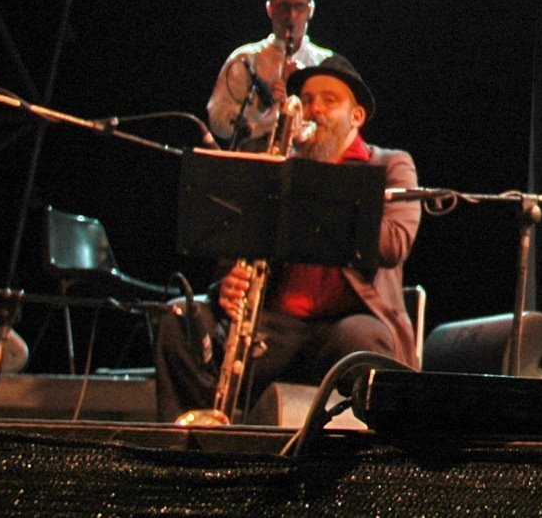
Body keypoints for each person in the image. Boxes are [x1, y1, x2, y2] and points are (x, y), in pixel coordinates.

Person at [156, 55, 419, 420]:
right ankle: (191, 439)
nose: (314, 110)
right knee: (180, 319)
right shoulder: (279, 167)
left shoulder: (390, 164)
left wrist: (318, 180)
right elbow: (234, 248)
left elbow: (394, 243)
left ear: (356, 116)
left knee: (360, 341)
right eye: (307, 100)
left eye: (329, 100)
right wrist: (227, 285)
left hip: (347, 323)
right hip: (278, 326)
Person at [206, 0, 332, 152]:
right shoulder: (245, 58)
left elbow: (336, 128)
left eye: (299, 7)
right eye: (283, 7)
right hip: (253, 158)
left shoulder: (325, 63)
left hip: (305, 159)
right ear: (269, 9)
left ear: (310, 10)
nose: (291, 16)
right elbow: (217, 122)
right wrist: (259, 107)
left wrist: (304, 90)